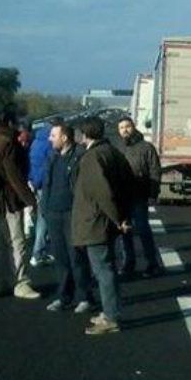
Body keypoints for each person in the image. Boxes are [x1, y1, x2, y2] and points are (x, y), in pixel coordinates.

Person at [72, 117, 135, 336]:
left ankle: (110, 316)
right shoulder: (113, 152)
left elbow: (102, 193)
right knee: (107, 267)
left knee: (103, 270)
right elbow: (128, 184)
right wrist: (122, 216)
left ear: (85, 134)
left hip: (95, 221)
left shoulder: (92, 157)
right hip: (106, 221)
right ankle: (111, 311)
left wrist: (118, 218)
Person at [0, 110, 40, 299]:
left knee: (0, 242)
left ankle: (0, 281)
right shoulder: (9, 143)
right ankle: (21, 282)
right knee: (18, 242)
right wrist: (30, 200)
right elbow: (14, 174)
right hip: (9, 198)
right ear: (10, 122)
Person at [41, 119, 96, 313]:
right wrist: (44, 209)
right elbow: (46, 184)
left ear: (64, 138)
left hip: (73, 213)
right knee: (61, 259)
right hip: (53, 213)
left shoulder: (80, 156)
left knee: (77, 258)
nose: (50, 139)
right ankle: (64, 296)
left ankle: (85, 297)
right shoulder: (53, 157)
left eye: (53, 136)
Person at [117, 117, 164, 278]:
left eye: (127, 126)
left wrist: (153, 193)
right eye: (122, 127)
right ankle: (128, 263)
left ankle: (152, 263)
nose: (125, 130)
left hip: (139, 196)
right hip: (122, 197)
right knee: (124, 232)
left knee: (143, 230)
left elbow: (155, 171)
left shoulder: (146, 147)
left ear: (134, 127)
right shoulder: (117, 148)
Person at [28, 123, 54, 268]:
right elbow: (48, 167)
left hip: (35, 183)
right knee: (43, 219)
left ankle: (39, 249)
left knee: (40, 216)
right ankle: (38, 252)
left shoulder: (35, 143)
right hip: (44, 185)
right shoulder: (49, 146)